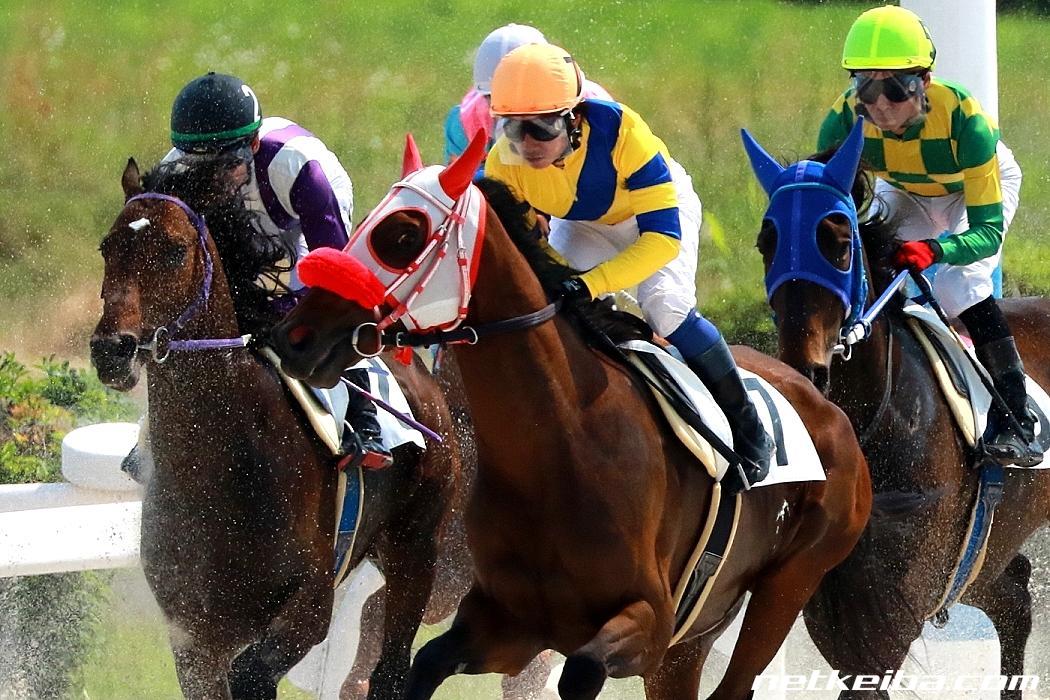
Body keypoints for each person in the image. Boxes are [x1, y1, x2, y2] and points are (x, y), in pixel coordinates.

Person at [484, 44, 773, 489]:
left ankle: (748, 427)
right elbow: (524, 253)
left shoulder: (623, 131)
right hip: (586, 223)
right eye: (513, 127)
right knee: (553, 309)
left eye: (542, 127)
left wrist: (593, 283)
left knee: (666, 307)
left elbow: (662, 240)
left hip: (656, 218)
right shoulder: (503, 164)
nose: (527, 144)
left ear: (574, 118)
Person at [125, 72, 390, 478]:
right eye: (199, 166)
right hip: (254, 211)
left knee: (314, 311)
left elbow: (336, 279)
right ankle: (152, 433)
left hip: (298, 222)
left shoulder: (304, 171)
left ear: (252, 145)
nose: (213, 180)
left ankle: (364, 415)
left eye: (227, 165)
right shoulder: (174, 171)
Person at [817, 6, 1038, 466]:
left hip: (972, 190)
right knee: (873, 266)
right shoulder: (842, 119)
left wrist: (937, 249)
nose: (880, 105)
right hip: (905, 190)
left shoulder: (967, 121)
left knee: (958, 285)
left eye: (896, 88)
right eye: (866, 87)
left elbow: (986, 234)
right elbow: (826, 207)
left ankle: (1016, 416)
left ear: (925, 80)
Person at [443, 23, 612, 165]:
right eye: (495, 99)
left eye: (523, 98)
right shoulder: (466, 121)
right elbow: (460, 186)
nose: (511, 110)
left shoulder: (598, 110)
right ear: (484, 95)